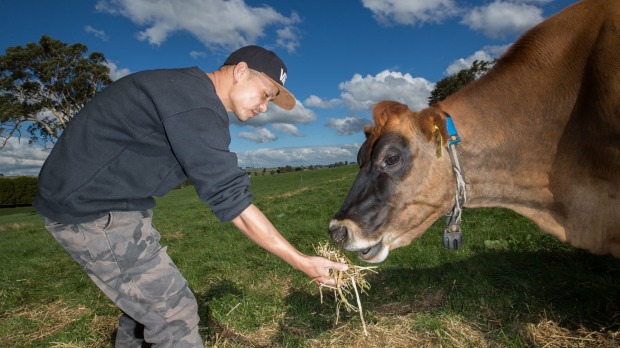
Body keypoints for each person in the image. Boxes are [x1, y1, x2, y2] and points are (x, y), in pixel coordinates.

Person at [34, 45, 348, 347]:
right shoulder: (196, 103)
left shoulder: (185, 91)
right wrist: (301, 261)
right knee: (174, 317)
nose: (264, 108)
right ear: (240, 72)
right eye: (265, 94)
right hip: (93, 212)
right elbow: (231, 198)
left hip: (115, 206)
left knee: (144, 309)